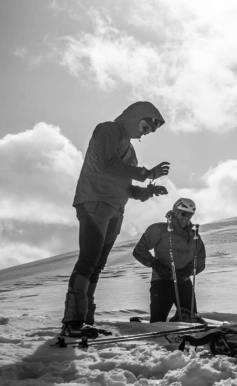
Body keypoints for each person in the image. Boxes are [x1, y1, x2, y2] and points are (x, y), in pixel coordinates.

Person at [61, 101, 171, 337]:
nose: (146, 133)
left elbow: (126, 186)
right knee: (89, 259)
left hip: (115, 208)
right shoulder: (109, 129)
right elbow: (108, 164)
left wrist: (147, 191)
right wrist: (147, 174)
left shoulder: (130, 150)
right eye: (145, 126)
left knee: (97, 264)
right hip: (95, 201)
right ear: (136, 116)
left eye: (149, 131)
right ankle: (73, 321)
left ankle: (85, 320)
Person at [133, 198, 206, 323]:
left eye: (190, 215)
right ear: (175, 211)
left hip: (184, 281)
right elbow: (139, 250)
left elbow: (200, 258)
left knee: (190, 319)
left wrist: (189, 271)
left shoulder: (194, 236)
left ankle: (184, 337)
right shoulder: (159, 229)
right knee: (158, 321)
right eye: (184, 213)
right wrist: (156, 265)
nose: (186, 218)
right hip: (162, 280)